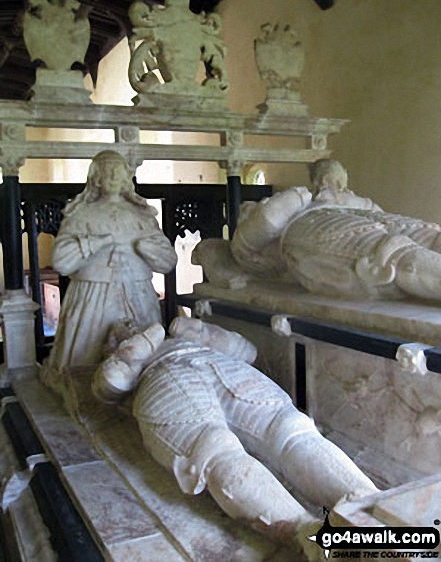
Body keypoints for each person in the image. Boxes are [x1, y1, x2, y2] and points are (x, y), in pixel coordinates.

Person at [93, 317, 378, 560]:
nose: (132, 324)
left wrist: (203, 333)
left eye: (134, 322)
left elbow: (246, 351)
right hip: (163, 377)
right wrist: (136, 349)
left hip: (223, 366)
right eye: (124, 328)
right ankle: (309, 535)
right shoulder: (125, 360)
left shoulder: (186, 337)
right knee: (213, 447)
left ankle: (373, 505)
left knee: (290, 428)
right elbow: (108, 388)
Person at [197, 159, 441, 302]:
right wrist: (295, 198)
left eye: (340, 182)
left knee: (429, 234)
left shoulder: (353, 201)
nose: (335, 185)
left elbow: (378, 211)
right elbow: (259, 233)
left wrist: (344, 200)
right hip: (308, 227)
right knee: (388, 255)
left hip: (357, 217)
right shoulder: (290, 209)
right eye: (329, 180)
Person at [45, 150, 177, 372]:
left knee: (144, 359)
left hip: (138, 293)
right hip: (93, 296)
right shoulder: (82, 214)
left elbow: (167, 262)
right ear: (96, 178)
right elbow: (61, 261)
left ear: (127, 177)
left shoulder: (142, 215)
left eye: (119, 173)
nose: (114, 178)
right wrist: (93, 243)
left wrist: (147, 248)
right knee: (86, 361)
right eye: (108, 173)